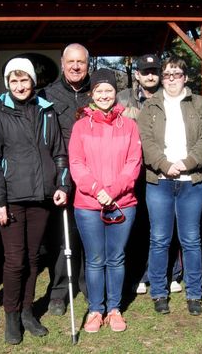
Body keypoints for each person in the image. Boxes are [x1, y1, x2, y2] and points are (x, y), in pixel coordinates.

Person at [0, 58, 69, 344]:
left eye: (25, 80)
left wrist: (61, 184)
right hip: (11, 198)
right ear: (8, 83)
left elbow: (59, 153)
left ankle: (27, 312)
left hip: (41, 196)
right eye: (14, 80)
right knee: (15, 260)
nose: (20, 86)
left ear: (33, 82)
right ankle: (11, 315)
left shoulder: (46, 111)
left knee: (33, 259)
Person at [138, 56, 202, 316]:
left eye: (177, 73)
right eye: (168, 74)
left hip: (190, 182)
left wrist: (188, 162)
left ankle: (194, 293)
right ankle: (159, 292)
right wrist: (163, 163)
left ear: (185, 77)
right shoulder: (150, 107)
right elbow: (145, 141)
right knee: (159, 239)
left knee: (191, 239)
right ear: (162, 77)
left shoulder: (199, 104)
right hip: (159, 182)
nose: (172, 78)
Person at [69, 68, 141, 332]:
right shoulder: (80, 127)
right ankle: (96, 310)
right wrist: (97, 189)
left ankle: (114, 308)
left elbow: (133, 163)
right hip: (88, 204)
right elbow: (76, 163)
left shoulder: (130, 126)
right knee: (95, 259)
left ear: (116, 93)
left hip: (123, 202)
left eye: (108, 90)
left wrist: (113, 190)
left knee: (116, 257)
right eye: (98, 90)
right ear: (92, 94)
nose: (103, 95)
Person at [117, 54, 183, 295]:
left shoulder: (170, 97)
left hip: (163, 170)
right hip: (133, 172)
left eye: (155, 71)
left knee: (168, 224)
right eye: (145, 71)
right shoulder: (123, 98)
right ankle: (140, 274)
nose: (150, 76)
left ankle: (172, 273)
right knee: (138, 226)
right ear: (137, 74)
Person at [38, 43, 90, 316]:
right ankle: (59, 290)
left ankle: (87, 284)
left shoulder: (98, 92)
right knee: (63, 236)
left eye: (80, 62)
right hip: (62, 175)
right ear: (62, 62)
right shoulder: (47, 95)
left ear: (87, 64)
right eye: (71, 61)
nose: (75, 66)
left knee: (89, 234)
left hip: (93, 176)